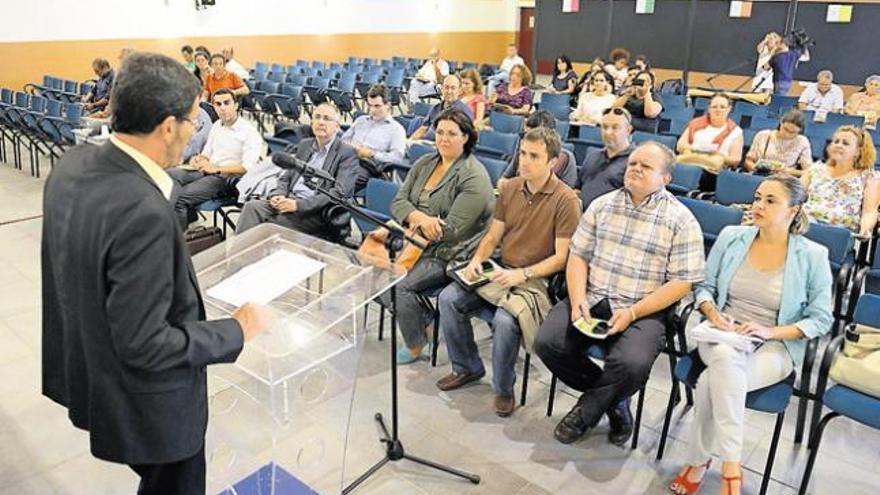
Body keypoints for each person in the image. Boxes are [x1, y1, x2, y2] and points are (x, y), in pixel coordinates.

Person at [42, 52, 268, 495]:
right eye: (191, 120)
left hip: (92, 371)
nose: (193, 131)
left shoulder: (71, 167)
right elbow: (145, 342)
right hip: (151, 405)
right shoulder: (142, 208)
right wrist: (235, 330)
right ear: (169, 126)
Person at [534, 141, 705, 446]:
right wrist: (577, 298)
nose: (635, 168)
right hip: (594, 296)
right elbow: (579, 256)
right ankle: (614, 401)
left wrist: (634, 312)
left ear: (665, 178)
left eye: (646, 166)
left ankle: (585, 412)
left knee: (631, 364)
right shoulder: (602, 205)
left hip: (643, 308)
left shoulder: (681, 220)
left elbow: (683, 282)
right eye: (633, 163)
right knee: (547, 342)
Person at [669, 176, 833, 495]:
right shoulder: (733, 237)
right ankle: (732, 465)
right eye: (758, 198)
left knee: (710, 382)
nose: (758, 205)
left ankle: (700, 462)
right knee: (725, 359)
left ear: (794, 210)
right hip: (719, 335)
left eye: (771, 201)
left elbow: (821, 318)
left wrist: (769, 331)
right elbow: (704, 287)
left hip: (776, 344)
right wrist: (714, 314)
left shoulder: (813, 255)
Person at [436, 127, 580, 417]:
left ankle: (503, 388)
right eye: (522, 153)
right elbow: (492, 237)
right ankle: (467, 367)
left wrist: (523, 274)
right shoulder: (511, 187)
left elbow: (562, 258)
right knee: (448, 298)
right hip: (500, 269)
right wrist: (478, 259)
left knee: (504, 320)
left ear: (552, 162)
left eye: (534, 156)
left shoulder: (566, 200)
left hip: (536, 279)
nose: (524, 161)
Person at [380, 108, 494, 364]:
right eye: (440, 132)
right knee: (374, 275)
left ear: (465, 137)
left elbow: (450, 230)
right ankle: (428, 320)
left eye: (451, 133)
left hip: (451, 253)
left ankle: (415, 343)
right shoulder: (426, 163)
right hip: (416, 242)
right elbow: (398, 201)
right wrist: (421, 218)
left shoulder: (474, 176)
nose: (443, 138)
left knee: (398, 285)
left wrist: (414, 218)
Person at [236, 102, 361, 237]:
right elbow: (286, 177)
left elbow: (339, 194)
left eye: (326, 118)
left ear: (337, 126)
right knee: (251, 208)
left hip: (316, 211)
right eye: (317, 117)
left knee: (272, 223)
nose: (321, 122)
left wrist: (298, 205)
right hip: (289, 200)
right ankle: (238, 257)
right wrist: (278, 195)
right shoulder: (305, 145)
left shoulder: (347, 153)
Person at [169, 89, 263, 229]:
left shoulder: (249, 132)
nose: (223, 107)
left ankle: (180, 240)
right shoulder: (216, 126)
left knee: (181, 198)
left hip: (226, 178)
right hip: (207, 170)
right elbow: (206, 153)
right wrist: (199, 159)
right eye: (218, 104)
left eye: (227, 103)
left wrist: (217, 169)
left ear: (236, 105)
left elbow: (247, 167)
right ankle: (188, 220)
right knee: (169, 174)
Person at [802, 125, 880, 237]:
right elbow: (794, 198)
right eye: (836, 141)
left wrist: (865, 229)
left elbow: (870, 211)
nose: (839, 145)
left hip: (840, 233)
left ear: (858, 151)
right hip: (807, 226)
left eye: (845, 143)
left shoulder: (869, 177)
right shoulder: (815, 169)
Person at [341, 84, 406, 181]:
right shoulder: (361, 120)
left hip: (367, 167)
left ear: (388, 105)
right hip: (347, 158)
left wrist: (371, 154)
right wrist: (352, 146)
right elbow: (343, 139)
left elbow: (397, 158)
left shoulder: (396, 129)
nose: (372, 110)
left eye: (377, 106)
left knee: (341, 177)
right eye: (370, 105)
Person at [574, 107, 636, 210]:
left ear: (628, 130)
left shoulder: (636, 162)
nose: (608, 132)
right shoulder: (593, 156)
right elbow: (578, 189)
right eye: (604, 127)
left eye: (615, 127)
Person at [499, 110, 578, 188]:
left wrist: (512, 186)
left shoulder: (564, 158)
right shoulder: (523, 151)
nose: (527, 140)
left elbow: (536, 187)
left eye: (535, 137)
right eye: (525, 135)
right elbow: (502, 181)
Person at [676, 93, 743, 174]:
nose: (718, 110)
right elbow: (680, 146)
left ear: (729, 109)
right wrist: (697, 149)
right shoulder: (695, 123)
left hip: (713, 170)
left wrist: (719, 155)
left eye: (722, 107)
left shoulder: (736, 131)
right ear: (709, 108)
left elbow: (736, 159)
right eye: (714, 107)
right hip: (690, 163)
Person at [743, 109, 812, 176]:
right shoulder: (763, 135)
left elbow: (808, 171)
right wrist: (754, 168)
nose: (787, 134)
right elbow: (748, 160)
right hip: (760, 175)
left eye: (792, 132)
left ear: (799, 131)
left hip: (784, 179)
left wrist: (788, 171)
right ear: (781, 123)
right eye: (785, 129)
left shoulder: (802, 141)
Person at [410, 74, 473, 141]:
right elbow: (423, 128)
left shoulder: (464, 112)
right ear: (442, 89)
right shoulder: (435, 108)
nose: (449, 91)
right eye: (446, 87)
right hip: (426, 144)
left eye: (453, 88)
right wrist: (410, 142)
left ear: (459, 90)